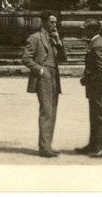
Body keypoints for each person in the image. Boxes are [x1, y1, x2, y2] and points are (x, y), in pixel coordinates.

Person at [22, 11, 68, 157]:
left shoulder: (53, 38)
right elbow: (26, 58)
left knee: (53, 112)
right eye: (52, 22)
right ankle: (44, 148)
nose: (55, 25)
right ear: (44, 22)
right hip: (43, 77)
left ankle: (48, 145)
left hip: (55, 77)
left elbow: (63, 59)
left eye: (56, 22)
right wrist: (40, 70)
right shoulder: (35, 38)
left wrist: (59, 43)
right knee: (46, 111)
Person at [77, 19, 102, 158]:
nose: (83, 31)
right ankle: (93, 144)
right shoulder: (95, 43)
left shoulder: (97, 45)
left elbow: (100, 69)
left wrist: (95, 83)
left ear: (92, 30)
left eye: (85, 29)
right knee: (94, 115)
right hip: (94, 83)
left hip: (98, 85)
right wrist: (86, 78)